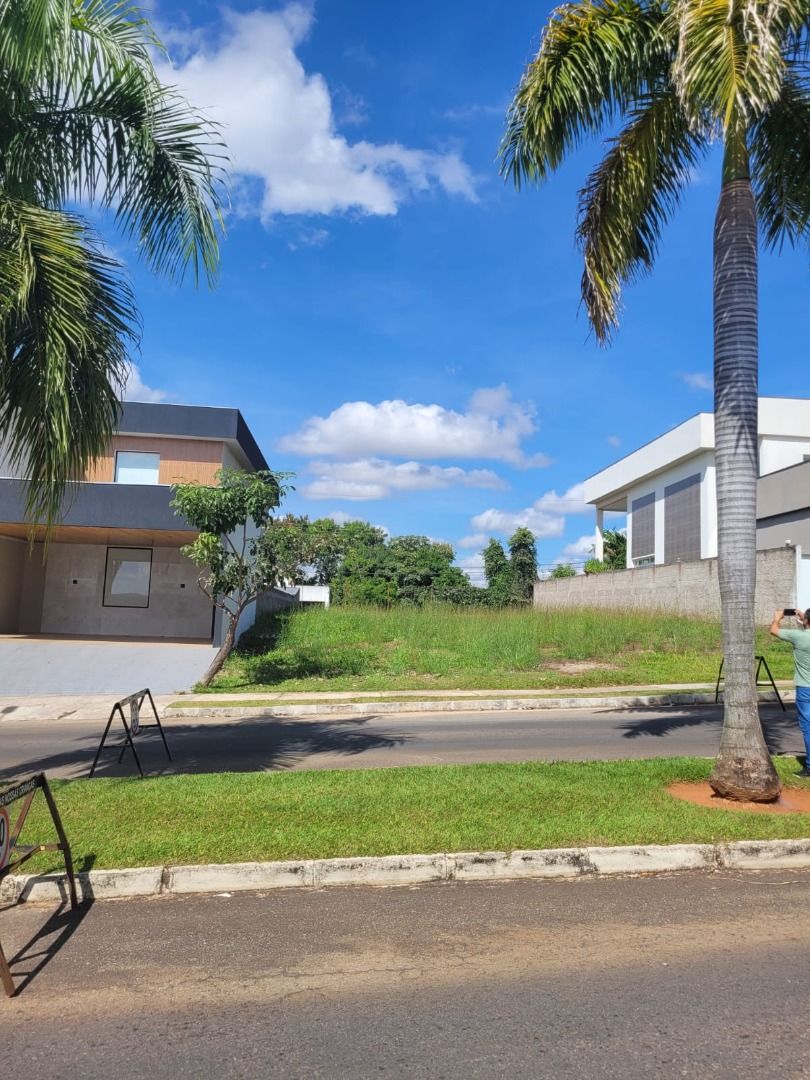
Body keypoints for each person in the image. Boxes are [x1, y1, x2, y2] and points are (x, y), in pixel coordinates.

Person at [770, 607, 810, 776]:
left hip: (805, 688)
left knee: (808, 726)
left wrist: (778, 617)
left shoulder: (799, 636)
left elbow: (774, 630)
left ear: (806, 620)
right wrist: (805, 619)